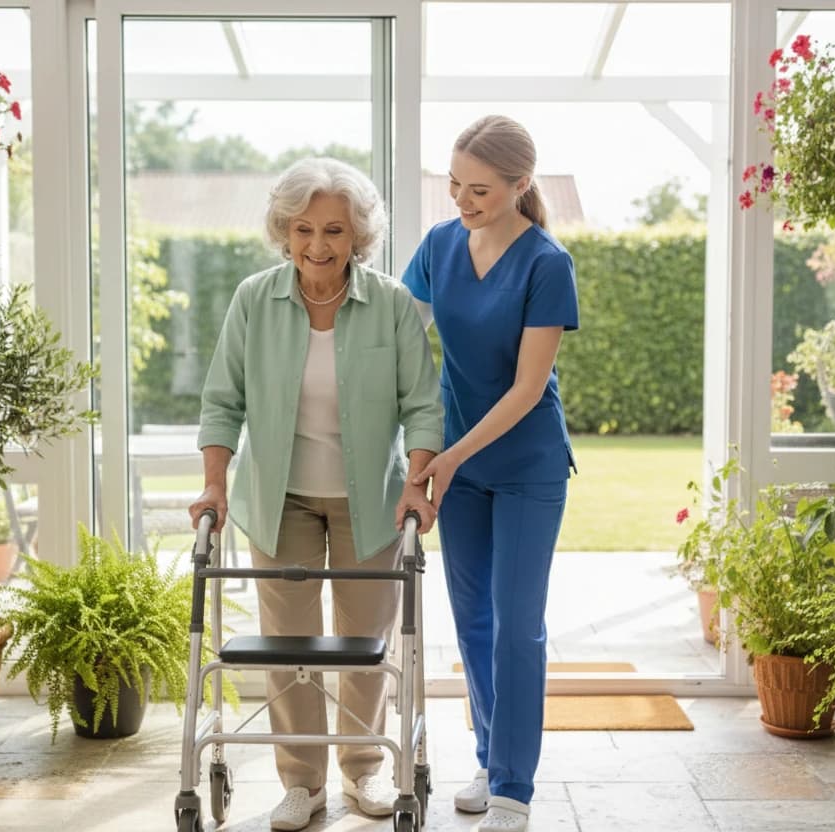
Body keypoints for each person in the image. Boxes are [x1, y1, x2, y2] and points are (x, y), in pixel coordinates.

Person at [189, 157, 443, 832]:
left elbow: (422, 406)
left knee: (365, 641)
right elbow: (222, 402)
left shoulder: (390, 304)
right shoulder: (254, 300)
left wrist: (417, 483)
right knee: (289, 647)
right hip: (280, 500)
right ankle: (301, 783)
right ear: (284, 230)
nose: (318, 245)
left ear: (358, 235)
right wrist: (214, 483)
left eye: (334, 229)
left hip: (374, 503)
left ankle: (364, 769)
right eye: (304, 229)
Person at [401, 115, 579, 832]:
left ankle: (513, 789)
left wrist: (447, 457)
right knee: (471, 625)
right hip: (458, 465)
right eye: (453, 184)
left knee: (517, 628)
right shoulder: (440, 246)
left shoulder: (546, 262)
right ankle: (486, 757)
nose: (461, 200)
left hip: (527, 464)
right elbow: (398, 339)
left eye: (478, 189)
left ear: (519, 186)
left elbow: (527, 389)